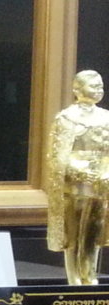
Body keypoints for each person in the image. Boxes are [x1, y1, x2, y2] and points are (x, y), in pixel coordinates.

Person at [47, 70, 109, 283]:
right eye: (93, 86)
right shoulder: (67, 118)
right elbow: (58, 156)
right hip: (75, 184)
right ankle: (74, 279)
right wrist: (81, 172)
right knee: (73, 234)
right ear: (77, 90)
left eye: (101, 86)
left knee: (94, 232)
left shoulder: (106, 117)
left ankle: (89, 275)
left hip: (101, 182)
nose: (98, 90)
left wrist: (105, 173)